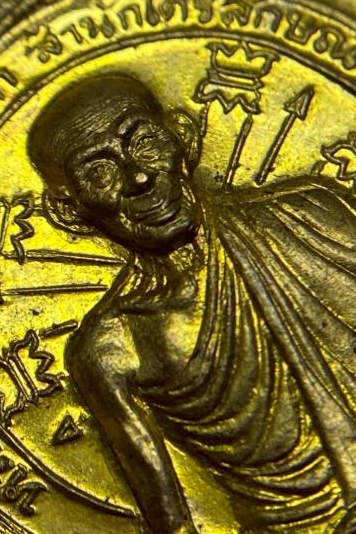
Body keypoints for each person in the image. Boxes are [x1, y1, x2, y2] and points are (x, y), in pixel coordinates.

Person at [28, 71, 356, 533]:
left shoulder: (311, 212)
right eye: (99, 171)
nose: (138, 176)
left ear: (182, 136)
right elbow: (174, 523)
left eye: (143, 142)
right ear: (69, 210)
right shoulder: (112, 348)